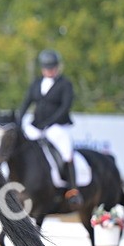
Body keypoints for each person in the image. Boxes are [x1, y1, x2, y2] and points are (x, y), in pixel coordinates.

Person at [18, 48, 83, 206]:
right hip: (36, 126)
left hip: (57, 126)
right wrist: (18, 120)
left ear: (57, 67)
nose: (49, 70)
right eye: (47, 68)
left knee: (66, 152)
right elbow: (26, 102)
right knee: (18, 147)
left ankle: (72, 190)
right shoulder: (36, 83)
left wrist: (49, 123)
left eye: (52, 67)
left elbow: (64, 107)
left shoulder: (65, 84)